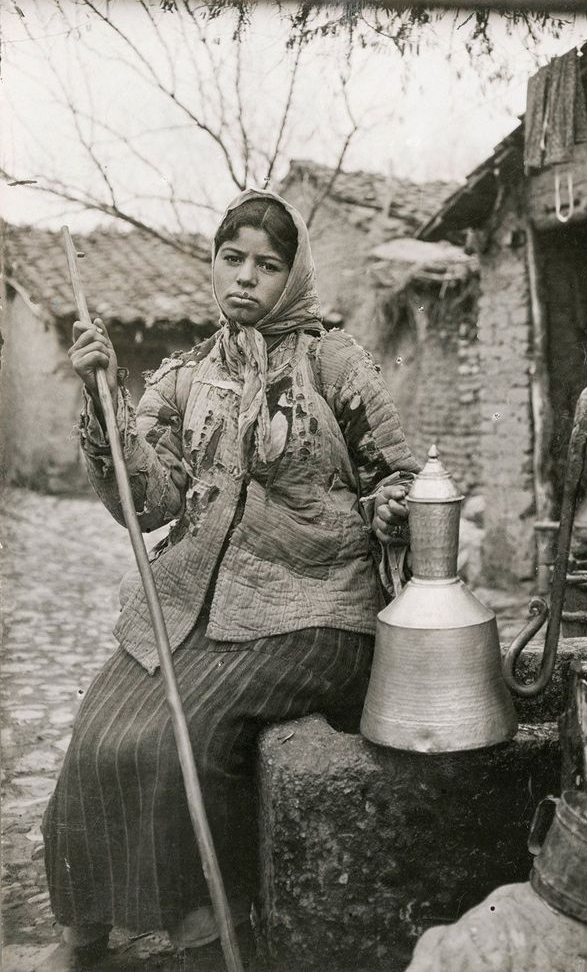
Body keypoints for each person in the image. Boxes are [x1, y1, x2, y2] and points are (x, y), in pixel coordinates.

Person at [40, 190, 419, 971]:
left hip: (312, 604)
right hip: (191, 601)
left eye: (268, 264)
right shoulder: (186, 375)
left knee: (193, 741)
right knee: (98, 736)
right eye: (233, 258)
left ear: (295, 273)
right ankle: (86, 930)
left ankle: (206, 935)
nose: (246, 278)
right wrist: (101, 393)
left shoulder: (334, 362)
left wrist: (390, 507)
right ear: (215, 264)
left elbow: (403, 474)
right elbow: (148, 503)